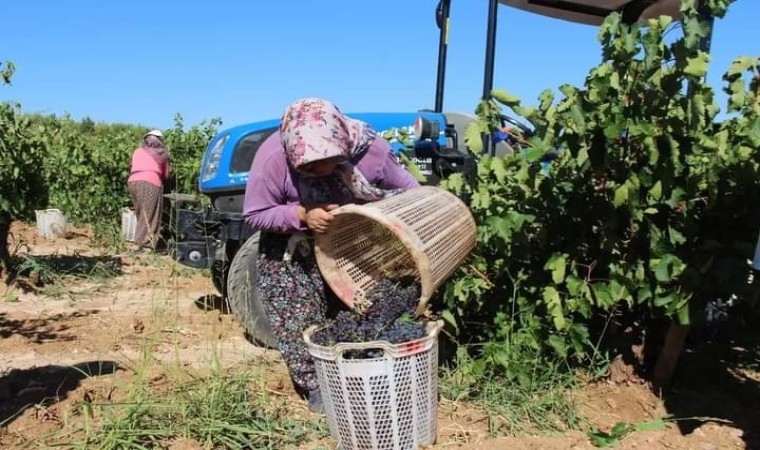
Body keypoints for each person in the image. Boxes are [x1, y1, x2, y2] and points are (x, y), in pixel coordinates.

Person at [242, 98, 420, 412]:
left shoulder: (372, 153)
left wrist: (367, 214)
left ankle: (360, 374)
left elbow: (412, 194)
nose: (319, 171)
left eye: (328, 161)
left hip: (353, 242)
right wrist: (300, 213)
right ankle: (316, 385)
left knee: (358, 311)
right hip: (292, 245)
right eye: (308, 166)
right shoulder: (272, 157)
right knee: (298, 318)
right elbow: (255, 214)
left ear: (343, 144)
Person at [128, 129, 170, 252]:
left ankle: (138, 242)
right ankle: (145, 245)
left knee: (141, 212)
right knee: (152, 214)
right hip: (151, 182)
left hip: (133, 181)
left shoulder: (138, 151)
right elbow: (166, 175)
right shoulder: (162, 154)